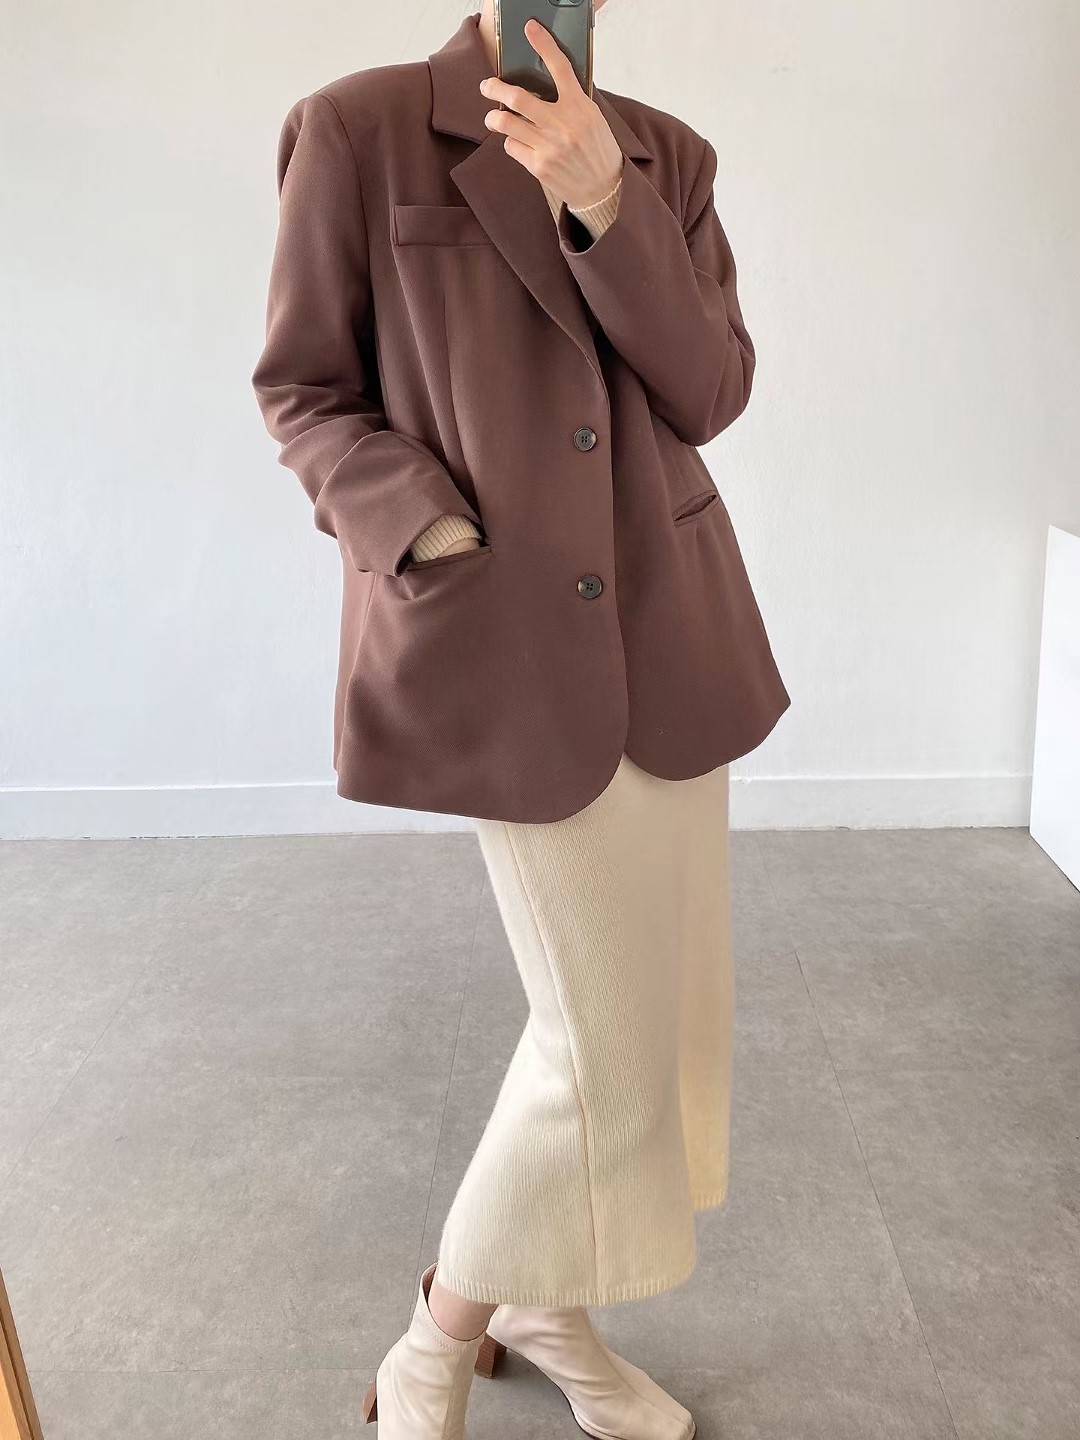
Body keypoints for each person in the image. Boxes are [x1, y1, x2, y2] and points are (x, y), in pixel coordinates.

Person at [251, 3, 790, 1435]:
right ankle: (436, 1338)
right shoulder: (359, 127)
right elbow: (305, 392)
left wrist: (609, 202)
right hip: (507, 644)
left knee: (650, 1019)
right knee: (597, 1047)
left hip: (669, 634)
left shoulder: (666, 155)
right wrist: (423, 529)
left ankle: (547, 1305)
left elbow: (711, 391)